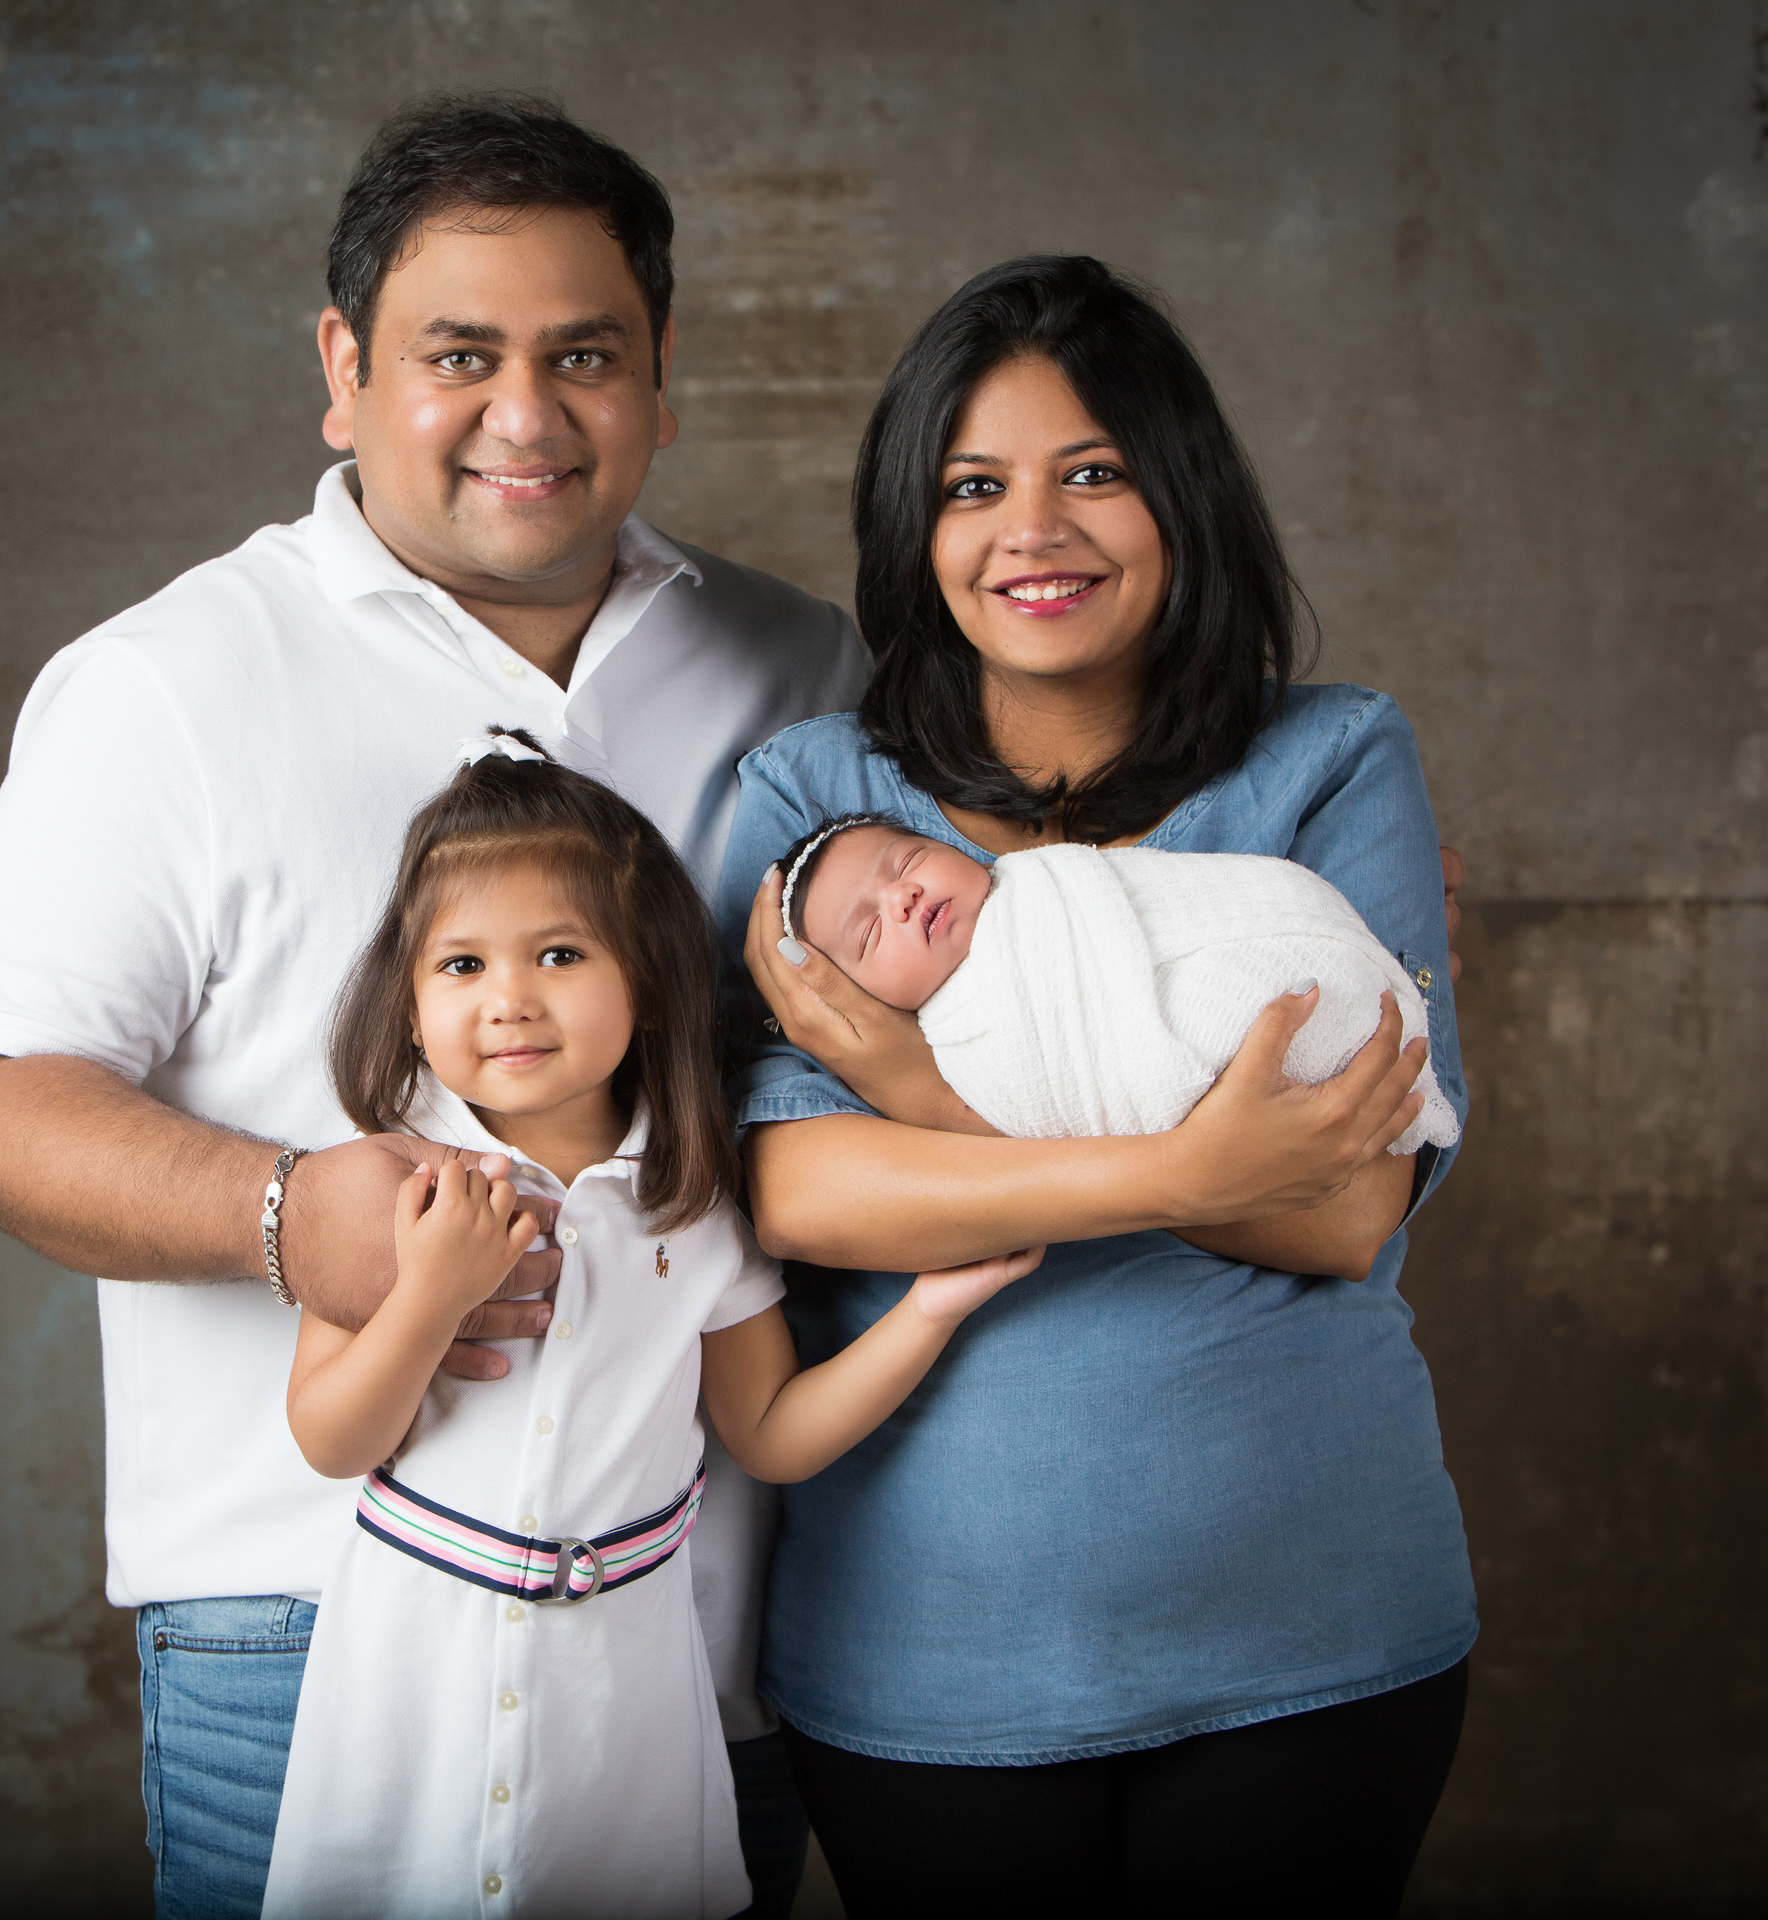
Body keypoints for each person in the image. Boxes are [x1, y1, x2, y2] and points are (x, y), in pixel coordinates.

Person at [0, 94, 865, 1918]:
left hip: (697, 1635)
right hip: (306, 1618)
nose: (527, 413)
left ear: (662, 379)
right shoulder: (165, 684)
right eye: (459, 355)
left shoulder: (799, 663)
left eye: (584, 354)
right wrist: (290, 1217)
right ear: (343, 371)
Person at [717, 255, 1477, 1914]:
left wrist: (911, 1085)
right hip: (925, 1656)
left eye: (1094, 474)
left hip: (1317, 1630)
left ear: (1183, 494)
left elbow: (1347, 1206)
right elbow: (791, 1193)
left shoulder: (1328, 763)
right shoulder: (816, 803)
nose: (1031, 530)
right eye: (974, 486)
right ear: (915, 531)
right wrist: (1198, 1172)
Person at [256, 734, 1040, 1919]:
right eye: (461, 964)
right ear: (411, 1006)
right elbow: (329, 1434)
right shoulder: (387, 1188)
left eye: (559, 954)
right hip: (412, 1678)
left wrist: (930, 1309)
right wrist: (428, 1292)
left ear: (652, 980)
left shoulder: (702, 1202)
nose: (508, 999)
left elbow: (770, 1431)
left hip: (622, 1687)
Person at [775, 813, 1458, 1158]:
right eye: (868, 933)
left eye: (910, 860)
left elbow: (1190, 897)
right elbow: (1045, 1111)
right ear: (861, 998)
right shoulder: (958, 1040)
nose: (902, 897)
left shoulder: (1050, 880)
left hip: (1257, 956)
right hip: (1176, 1058)